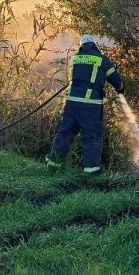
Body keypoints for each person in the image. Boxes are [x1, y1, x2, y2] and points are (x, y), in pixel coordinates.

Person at [46, 35, 124, 174]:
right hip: (90, 107)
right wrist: (120, 88)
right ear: (95, 45)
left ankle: (53, 165)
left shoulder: (75, 58)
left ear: (82, 46)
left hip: (71, 105)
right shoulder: (102, 60)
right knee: (92, 137)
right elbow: (117, 82)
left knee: (65, 134)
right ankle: (91, 173)